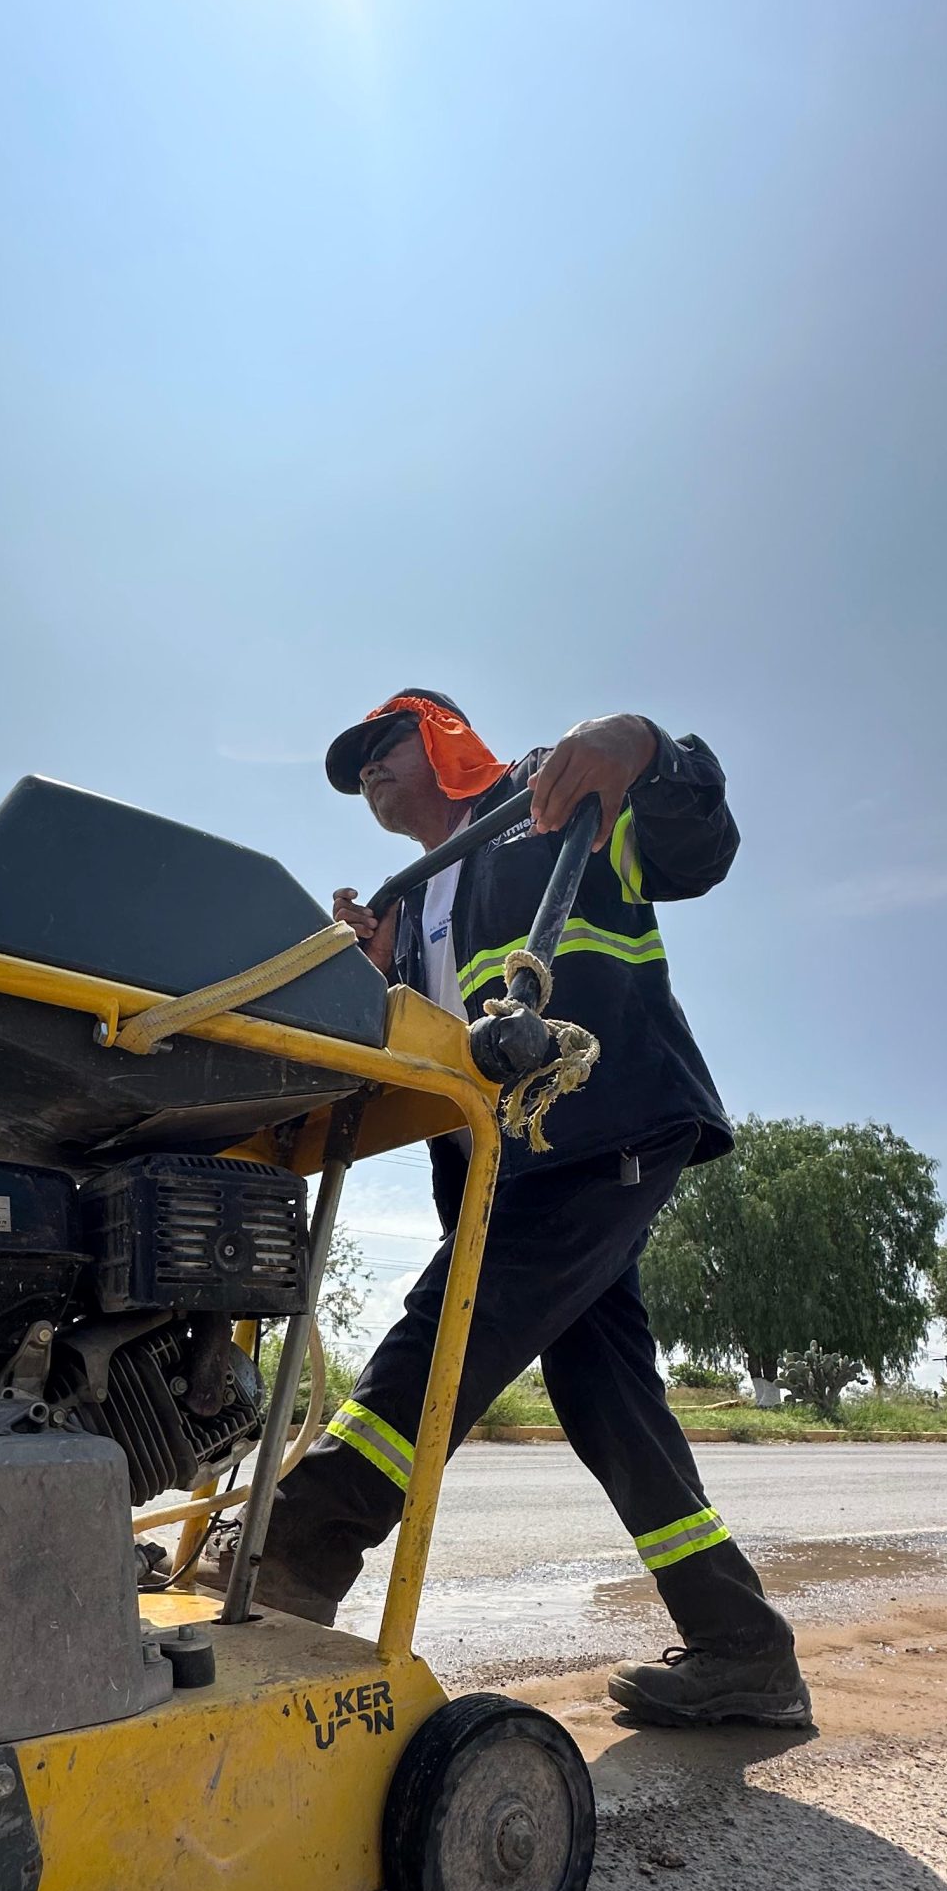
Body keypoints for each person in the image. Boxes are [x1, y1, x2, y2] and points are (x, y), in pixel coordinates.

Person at [205, 687, 810, 1727]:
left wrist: (648, 750)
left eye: (379, 751)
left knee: (451, 1322)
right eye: (354, 775)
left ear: (439, 736)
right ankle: (745, 1647)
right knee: (612, 1405)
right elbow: (428, 1062)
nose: (367, 778)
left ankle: (303, 1540)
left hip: (598, 1126)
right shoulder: (420, 895)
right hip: (513, 1163)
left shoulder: (549, 795)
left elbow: (697, 849)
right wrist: (369, 981)